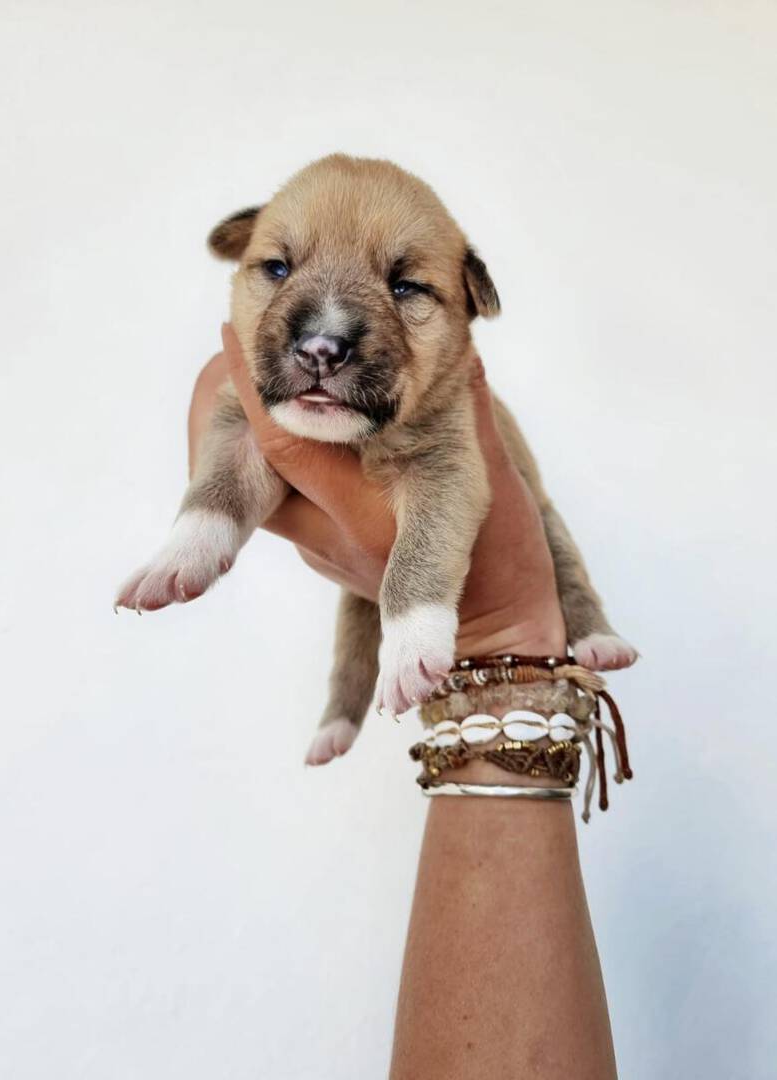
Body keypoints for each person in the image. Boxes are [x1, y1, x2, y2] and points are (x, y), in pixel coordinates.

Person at [187, 325, 618, 1080]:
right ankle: (342, 711)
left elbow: (470, 497)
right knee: (365, 608)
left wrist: (505, 630)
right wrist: (207, 522)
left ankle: (588, 625)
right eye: (277, 270)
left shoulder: (439, 396)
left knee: (534, 557)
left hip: (483, 529)